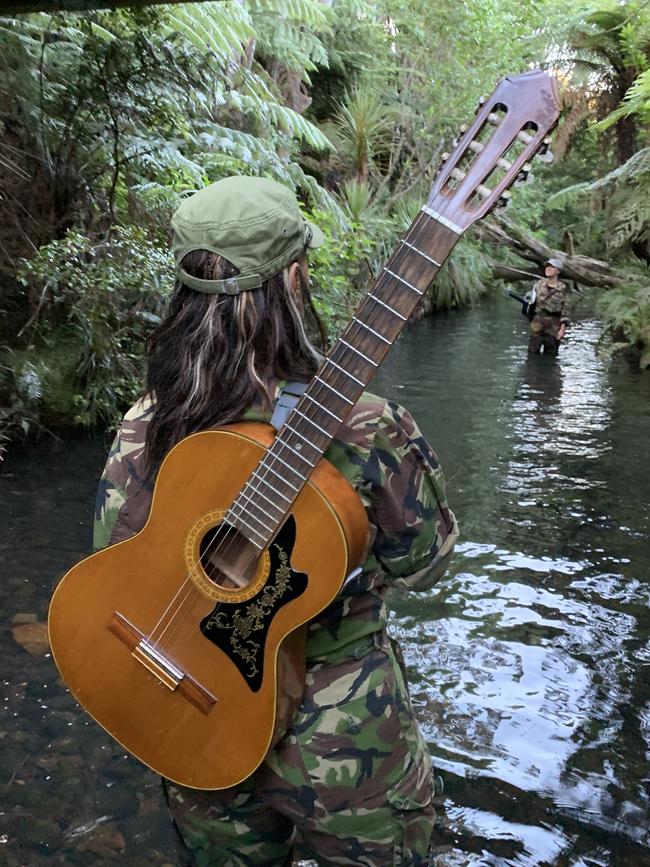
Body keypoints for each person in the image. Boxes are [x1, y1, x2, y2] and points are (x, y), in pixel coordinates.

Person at [93, 176, 459, 867]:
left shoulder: (145, 423)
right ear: (294, 279)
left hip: (190, 715)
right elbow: (427, 561)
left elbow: (112, 556)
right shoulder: (365, 426)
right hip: (347, 739)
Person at [527, 257, 570, 356]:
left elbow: (566, 310)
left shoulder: (564, 288)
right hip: (537, 323)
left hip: (554, 325)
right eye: (547, 266)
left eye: (552, 267)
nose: (548, 268)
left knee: (551, 356)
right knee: (532, 354)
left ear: (558, 271)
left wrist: (562, 330)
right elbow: (530, 303)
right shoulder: (538, 284)